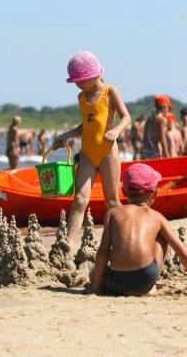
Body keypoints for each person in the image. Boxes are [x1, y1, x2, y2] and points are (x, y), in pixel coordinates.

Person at [90, 163, 187, 296]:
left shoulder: (112, 213)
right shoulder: (157, 217)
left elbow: (103, 251)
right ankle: (149, 288)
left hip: (117, 280)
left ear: (124, 192)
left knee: (93, 274)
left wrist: (96, 287)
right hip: (145, 278)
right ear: (155, 192)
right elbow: (182, 250)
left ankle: (123, 289)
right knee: (162, 239)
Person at [53, 51, 131, 242]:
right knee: (79, 200)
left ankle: (126, 238)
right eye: (76, 82)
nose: (78, 85)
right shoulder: (81, 97)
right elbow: (85, 125)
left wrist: (116, 131)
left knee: (112, 201)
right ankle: (69, 244)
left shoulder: (110, 91)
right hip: (87, 153)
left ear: (96, 75)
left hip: (107, 152)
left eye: (81, 80)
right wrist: (67, 135)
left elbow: (126, 117)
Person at [142, 95, 171, 159]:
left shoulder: (149, 119)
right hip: (154, 153)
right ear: (165, 106)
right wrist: (167, 156)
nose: (168, 110)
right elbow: (163, 140)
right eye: (169, 107)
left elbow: (144, 138)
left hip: (145, 152)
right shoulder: (162, 120)